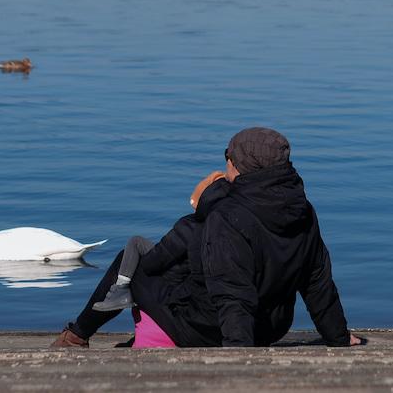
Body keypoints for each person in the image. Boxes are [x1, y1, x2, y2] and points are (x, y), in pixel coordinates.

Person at [52, 127, 361, 348]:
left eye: (228, 157)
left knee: (130, 262)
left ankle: (77, 335)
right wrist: (336, 336)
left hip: (213, 329)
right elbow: (317, 281)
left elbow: (232, 293)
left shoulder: (229, 217)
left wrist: (237, 356)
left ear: (239, 167)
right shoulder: (303, 210)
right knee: (183, 260)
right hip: (271, 328)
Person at [92, 172, 225, 312]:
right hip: (198, 287)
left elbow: (155, 262)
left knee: (134, 245)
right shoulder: (225, 226)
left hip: (174, 286)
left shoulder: (190, 225)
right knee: (131, 257)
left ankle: (120, 290)